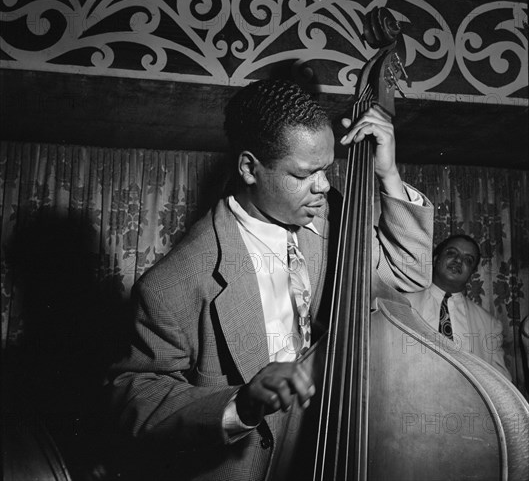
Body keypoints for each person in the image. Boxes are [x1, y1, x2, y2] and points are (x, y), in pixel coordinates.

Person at [107, 79, 434, 480]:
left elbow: (409, 272)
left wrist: (388, 174)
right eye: (303, 174)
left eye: (326, 169)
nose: (324, 186)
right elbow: (135, 397)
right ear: (249, 168)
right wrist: (239, 405)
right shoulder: (174, 281)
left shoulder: (332, 215)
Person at [405, 234, 511, 380]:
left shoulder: (490, 325)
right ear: (436, 259)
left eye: (468, 260)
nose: (459, 260)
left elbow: (501, 383)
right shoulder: (401, 304)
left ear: (472, 273)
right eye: (451, 253)